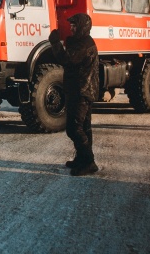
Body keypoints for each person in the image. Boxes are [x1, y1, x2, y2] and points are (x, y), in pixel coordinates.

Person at [48, 13, 99, 176]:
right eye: (71, 25)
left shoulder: (84, 44)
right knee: (84, 127)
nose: (71, 28)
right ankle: (82, 159)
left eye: (74, 25)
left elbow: (65, 58)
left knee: (74, 128)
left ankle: (89, 161)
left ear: (82, 27)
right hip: (80, 90)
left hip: (81, 91)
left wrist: (55, 42)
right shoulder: (80, 42)